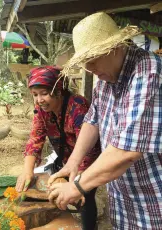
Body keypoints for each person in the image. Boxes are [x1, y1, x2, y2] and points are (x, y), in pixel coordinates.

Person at [48, 12, 162, 229]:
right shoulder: (106, 78)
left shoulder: (149, 72)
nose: (89, 69)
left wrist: (77, 187)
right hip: (122, 194)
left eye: (92, 60)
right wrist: (73, 163)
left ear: (116, 48)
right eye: (84, 62)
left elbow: (127, 151)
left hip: (154, 198)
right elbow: (92, 121)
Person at [15, 66, 101, 230]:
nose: (39, 100)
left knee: (85, 198)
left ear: (58, 90)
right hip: (64, 160)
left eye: (44, 93)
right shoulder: (42, 110)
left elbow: (90, 152)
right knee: (55, 192)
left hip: (86, 163)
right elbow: (36, 137)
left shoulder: (78, 107)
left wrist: (78, 183)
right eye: (35, 95)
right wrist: (27, 170)